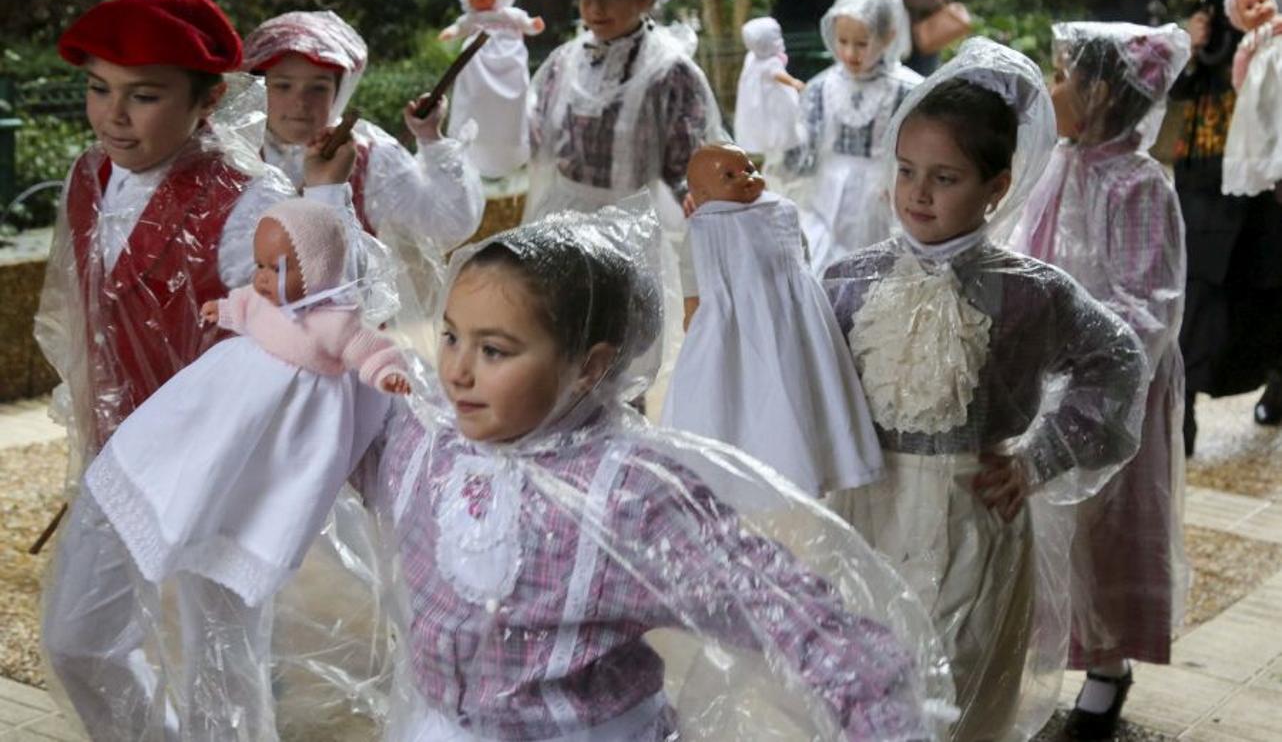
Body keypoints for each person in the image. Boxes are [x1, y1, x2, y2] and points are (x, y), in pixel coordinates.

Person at [354, 201, 953, 740]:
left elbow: (780, 604)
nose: (456, 371)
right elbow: (316, 414)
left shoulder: (626, 494)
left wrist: (882, 714)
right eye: (452, 337)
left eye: (494, 351)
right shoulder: (426, 442)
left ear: (589, 367)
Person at [823, 38, 1146, 741]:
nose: (917, 192)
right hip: (862, 509)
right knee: (859, 688)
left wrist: (1039, 458)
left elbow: (1117, 360)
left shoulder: (1029, 292)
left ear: (997, 186)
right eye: (906, 170)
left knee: (946, 694)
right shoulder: (848, 281)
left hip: (968, 520)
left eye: (946, 177)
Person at [44, 199, 409, 741]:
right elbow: (243, 307)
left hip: (270, 446)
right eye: (259, 265)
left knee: (228, 587)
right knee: (194, 476)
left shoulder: (330, 320)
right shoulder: (265, 307)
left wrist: (387, 373)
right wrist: (225, 311)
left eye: (277, 268)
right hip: (215, 416)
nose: (261, 278)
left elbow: (367, 347)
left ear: (316, 271)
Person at [33, 0, 371, 471]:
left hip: (211, 471)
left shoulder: (245, 199)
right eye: (98, 88)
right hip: (111, 451)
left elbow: (323, 315)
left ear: (211, 97)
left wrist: (323, 196)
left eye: (144, 95)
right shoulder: (89, 176)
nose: (113, 115)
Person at [1011, 22, 1191, 740]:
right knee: (1048, 524)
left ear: (1100, 93)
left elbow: (1149, 303)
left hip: (1108, 389)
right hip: (1047, 377)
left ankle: (1108, 662)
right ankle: (1050, 648)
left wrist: (1087, 367)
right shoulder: (1053, 163)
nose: (1051, 90)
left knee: (1103, 527)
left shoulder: (1138, 184)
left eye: (1062, 77)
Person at [662, 145, 883, 497]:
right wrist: (696, 325)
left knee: (799, 393)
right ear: (701, 195)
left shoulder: (783, 211)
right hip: (732, 335)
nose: (747, 178)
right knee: (736, 399)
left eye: (749, 167)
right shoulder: (701, 232)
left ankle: (804, 464)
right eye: (729, 177)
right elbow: (693, 287)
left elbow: (803, 261)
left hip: (792, 325)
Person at [1170, 0, 1282, 444]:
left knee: (1272, 274)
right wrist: (1191, 45)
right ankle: (1181, 408)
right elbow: (1181, 86)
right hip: (1212, 167)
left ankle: (1277, 387)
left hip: (1277, 172)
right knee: (1199, 280)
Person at [524, 0, 720, 229]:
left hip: (631, 225)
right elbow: (539, 135)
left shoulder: (668, 70)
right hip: (563, 220)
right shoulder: (565, 62)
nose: (594, 8)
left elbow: (687, 159)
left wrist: (692, 193)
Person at [240, 9, 484, 252]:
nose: (301, 102)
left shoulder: (372, 161)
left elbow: (447, 225)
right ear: (258, 87)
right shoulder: (233, 159)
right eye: (283, 86)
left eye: (318, 88)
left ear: (339, 92)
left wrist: (432, 139)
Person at [783, 0, 920, 273]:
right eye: (842, 42)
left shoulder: (907, 90)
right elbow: (801, 156)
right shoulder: (822, 87)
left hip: (880, 200)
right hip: (825, 198)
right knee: (820, 269)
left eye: (861, 43)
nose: (850, 54)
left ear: (888, 37)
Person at [439, 0, 545, 180]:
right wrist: (451, 32)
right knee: (474, 102)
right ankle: (474, 147)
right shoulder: (473, 19)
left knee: (512, 104)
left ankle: (508, 147)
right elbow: (460, 27)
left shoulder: (507, 14)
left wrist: (532, 25)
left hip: (509, 63)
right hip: (476, 63)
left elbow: (525, 23)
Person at [1220, 0, 1282, 196]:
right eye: (1249, 7)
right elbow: (1240, 69)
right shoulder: (1249, 43)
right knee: (1267, 126)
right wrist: (1243, 93)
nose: (1258, 7)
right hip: (1265, 95)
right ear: (1240, 21)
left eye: (1261, 0)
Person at [732, 16, 803, 166]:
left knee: (770, 127)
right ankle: (785, 154)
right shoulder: (770, 63)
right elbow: (779, 75)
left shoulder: (752, 58)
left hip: (762, 100)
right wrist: (794, 83)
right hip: (775, 102)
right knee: (780, 126)